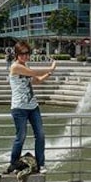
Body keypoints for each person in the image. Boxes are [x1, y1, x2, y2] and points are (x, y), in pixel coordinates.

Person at [9, 40, 56, 171]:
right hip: (19, 108)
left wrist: (50, 73)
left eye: (27, 53)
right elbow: (35, 73)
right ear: (17, 54)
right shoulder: (15, 67)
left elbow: (37, 80)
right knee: (21, 137)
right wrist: (50, 67)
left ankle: (41, 164)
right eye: (22, 54)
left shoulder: (26, 66)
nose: (25, 56)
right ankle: (14, 163)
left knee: (40, 135)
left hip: (33, 107)